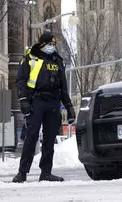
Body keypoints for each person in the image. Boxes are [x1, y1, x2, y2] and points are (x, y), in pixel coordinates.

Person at [12, 32, 76, 183]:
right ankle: (22, 173)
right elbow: (21, 81)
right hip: (36, 101)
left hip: (53, 103)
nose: (52, 47)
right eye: (49, 44)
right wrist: (23, 100)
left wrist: (69, 107)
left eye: (54, 45)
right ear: (42, 44)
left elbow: (63, 87)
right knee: (31, 136)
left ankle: (46, 172)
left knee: (49, 139)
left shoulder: (58, 61)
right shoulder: (30, 58)